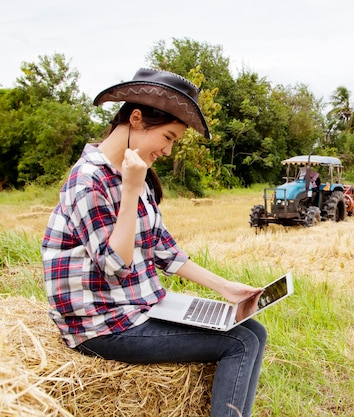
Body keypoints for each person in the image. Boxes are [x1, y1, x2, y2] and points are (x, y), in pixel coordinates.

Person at [41, 68, 266, 417]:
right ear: (136, 119)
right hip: (102, 324)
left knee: (254, 330)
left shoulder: (137, 175)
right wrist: (130, 189)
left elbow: (163, 247)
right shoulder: (89, 181)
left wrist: (225, 289)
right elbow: (115, 267)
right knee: (239, 342)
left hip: (138, 307)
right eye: (169, 137)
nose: (169, 150)